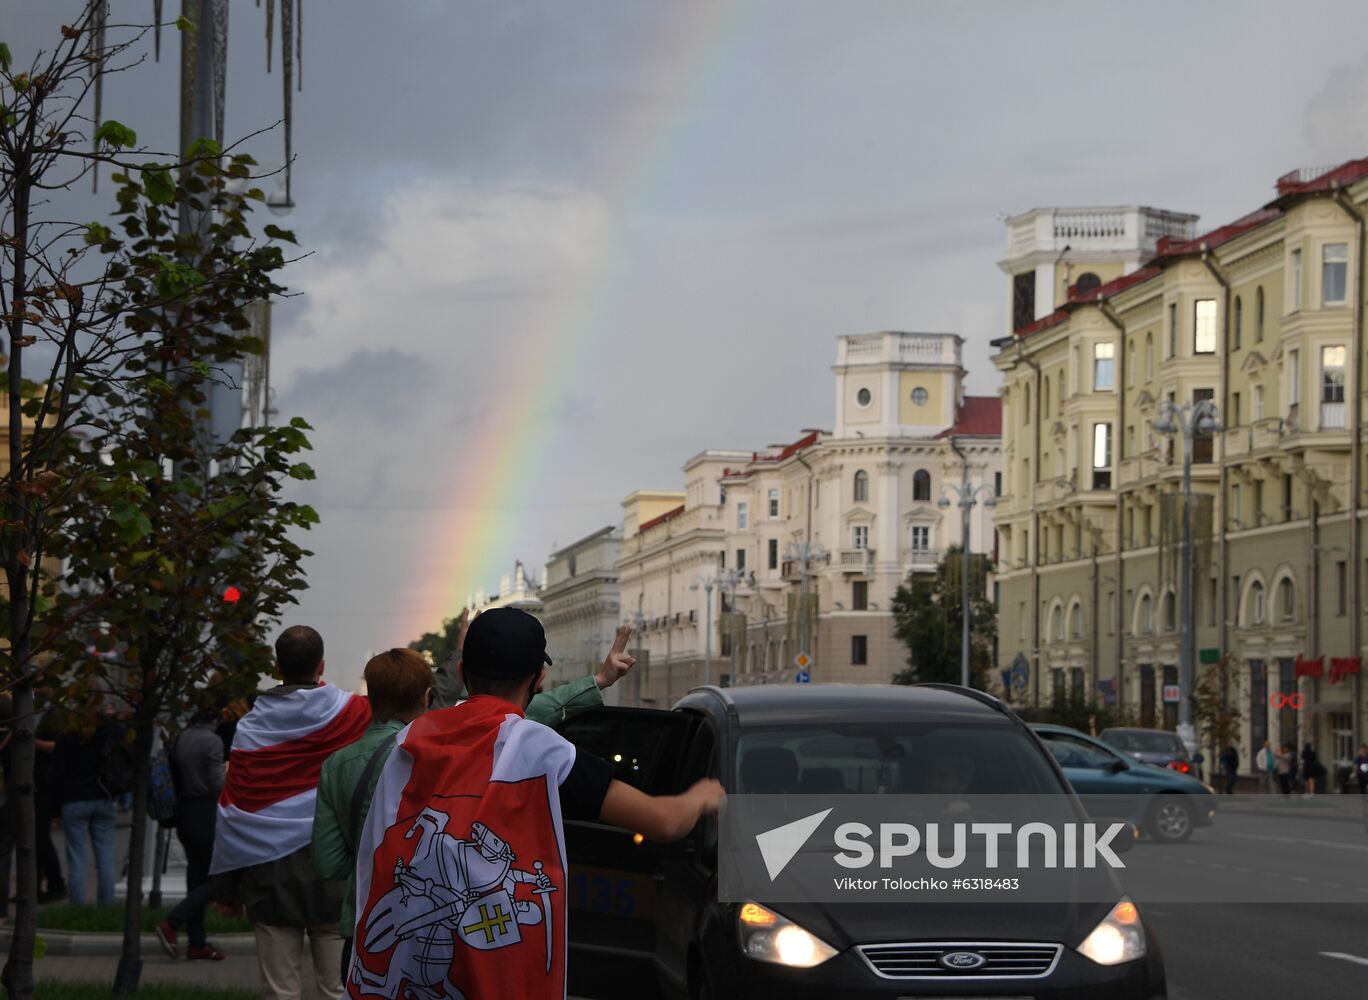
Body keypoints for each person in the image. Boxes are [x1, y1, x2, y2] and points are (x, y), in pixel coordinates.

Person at [349, 609, 723, 1000]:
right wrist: (702, 796)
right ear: (538, 678)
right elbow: (663, 822)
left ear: (461, 673)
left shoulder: (409, 741)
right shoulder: (540, 749)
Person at [313, 634, 632, 979]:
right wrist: (598, 681)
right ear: (426, 695)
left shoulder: (338, 765)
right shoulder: (458, 742)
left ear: (370, 697)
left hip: (368, 928)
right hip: (459, 949)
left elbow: (328, 864)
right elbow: (526, 712)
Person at [212, 626, 373, 1000]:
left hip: (270, 882)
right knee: (337, 990)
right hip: (334, 880)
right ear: (321, 666)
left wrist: (226, 889)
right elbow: (412, 705)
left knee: (279, 992)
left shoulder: (251, 727)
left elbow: (235, 809)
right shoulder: (353, 714)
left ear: (276, 665)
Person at [156, 707, 228, 961]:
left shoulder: (184, 736)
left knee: (196, 879)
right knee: (222, 877)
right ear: (217, 716)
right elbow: (217, 783)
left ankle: (197, 943)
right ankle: (172, 923)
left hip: (185, 813)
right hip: (205, 812)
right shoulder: (212, 741)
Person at [52, 710, 121, 906]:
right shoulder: (107, 731)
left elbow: (58, 770)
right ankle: (106, 906)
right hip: (103, 795)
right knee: (105, 857)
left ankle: (78, 907)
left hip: (74, 799)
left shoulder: (67, 734)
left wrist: (56, 808)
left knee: (77, 858)